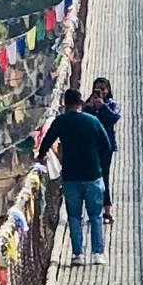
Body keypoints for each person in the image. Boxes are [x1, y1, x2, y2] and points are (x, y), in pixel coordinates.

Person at [37, 85, 113, 264]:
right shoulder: (92, 121)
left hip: (70, 177)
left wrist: (40, 158)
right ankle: (97, 254)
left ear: (65, 104)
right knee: (95, 216)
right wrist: (98, 163)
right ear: (80, 103)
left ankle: (77, 254)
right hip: (92, 175)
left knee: (74, 217)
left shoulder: (61, 121)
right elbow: (107, 146)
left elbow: (46, 141)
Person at [85, 77, 120, 225]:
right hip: (91, 147)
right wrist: (91, 107)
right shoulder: (89, 105)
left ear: (109, 90)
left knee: (104, 177)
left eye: (103, 89)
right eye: (98, 89)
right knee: (91, 179)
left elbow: (114, 118)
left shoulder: (112, 104)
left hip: (106, 147)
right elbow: (83, 118)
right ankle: (93, 211)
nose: (101, 92)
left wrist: (101, 106)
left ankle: (107, 211)